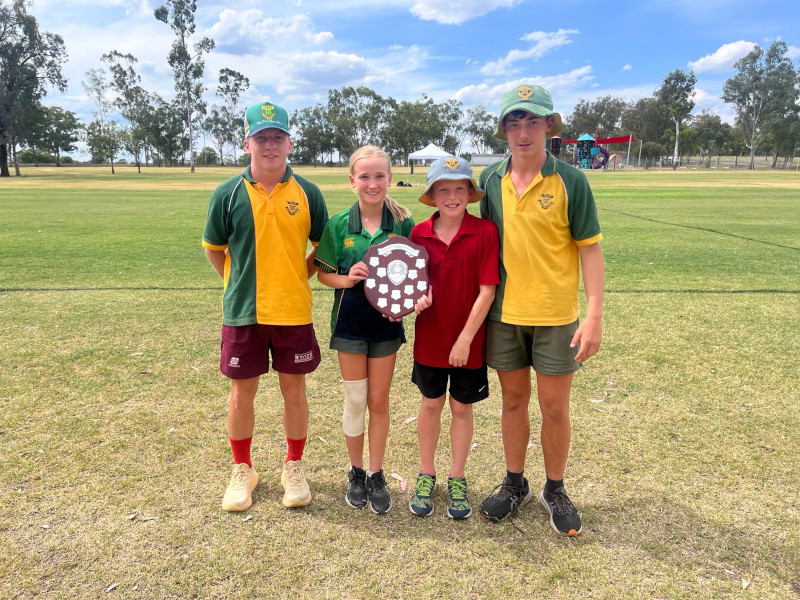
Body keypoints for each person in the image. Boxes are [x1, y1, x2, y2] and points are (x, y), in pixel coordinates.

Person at [477, 84, 604, 536]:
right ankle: (515, 484)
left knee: (554, 407)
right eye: (515, 122)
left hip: (556, 316)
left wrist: (593, 315)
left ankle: (555, 488)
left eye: (532, 121)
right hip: (504, 315)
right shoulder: (489, 181)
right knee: (513, 402)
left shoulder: (571, 179)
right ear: (504, 130)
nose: (523, 132)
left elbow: (589, 250)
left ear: (549, 125)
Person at [202, 101, 328, 512]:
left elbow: (322, 251)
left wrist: (294, 276)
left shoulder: (308, 192)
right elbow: (214, 250)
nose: (270, 145)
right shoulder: (228, 193)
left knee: (295, 391)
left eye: (277, 137)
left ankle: (294, 465)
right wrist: (238, 284)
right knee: (242, 394)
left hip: (293, 311)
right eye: (262, 138)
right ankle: (243, 469)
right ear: (247, 142)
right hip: (244, 312)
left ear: (289, 143)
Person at [314, 145, 414, 515]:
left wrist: (405, 303)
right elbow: (323, 273)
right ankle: (355, 472)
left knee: (378, 401)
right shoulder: (338, 224)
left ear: (390, 178)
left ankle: (376, 473)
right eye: (365, 177)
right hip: (350, 323)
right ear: (352, 180)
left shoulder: (404, 223)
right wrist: (346, 278)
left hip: (387, 324)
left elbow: (416, 274)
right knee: (356, 400)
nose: (373, 184)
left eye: (380, 176)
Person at [407, 156, 499, 519]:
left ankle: (457, 475)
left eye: (459, 187)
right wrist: (417, 295)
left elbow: (487, 291)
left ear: (469, 193)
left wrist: (464, 339)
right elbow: (412, 282)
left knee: (462, 407)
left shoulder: (485, 231)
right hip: (429, 338)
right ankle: (426, 472)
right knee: (431, 404)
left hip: (469, 342)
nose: (451, 195)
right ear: (432, 195)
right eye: (443, 188)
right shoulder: (418, 233)